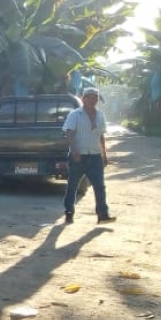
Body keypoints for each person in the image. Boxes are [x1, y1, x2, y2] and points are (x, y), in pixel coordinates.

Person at [62, 87, 115, 224]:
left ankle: (102, 214)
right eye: (90, 97)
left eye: (96, 98)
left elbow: (101, 135)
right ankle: (69, 212)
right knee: (73, 185)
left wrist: (104, 154)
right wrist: (74, 151)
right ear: (84, 99)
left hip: (95, 156)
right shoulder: (75, 115)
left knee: (100, 186)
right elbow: (69, 133)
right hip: (79, 156)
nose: (93, 100)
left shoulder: (100, 115)